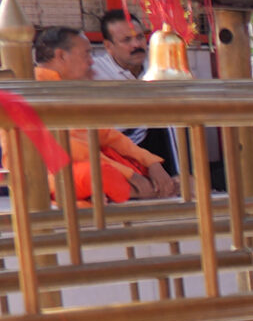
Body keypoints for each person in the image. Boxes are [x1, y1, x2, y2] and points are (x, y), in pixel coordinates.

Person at [29, 28, 177, 202]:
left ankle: (144, 189)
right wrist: (130, 174)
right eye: (86, 54)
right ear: (61, 56)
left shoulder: (68, 88)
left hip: (93, 167)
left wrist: (150, 162)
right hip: (50, 175)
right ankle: (147, 190)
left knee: (150, 169)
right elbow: (73, 149)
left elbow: (107, 134)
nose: (91, 62)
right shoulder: (37, 92)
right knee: (99, 175)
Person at [92, 9, 177, 175]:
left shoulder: (158, 66)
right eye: (127, 40)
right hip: (115, 148)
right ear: (108, 46)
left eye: (140, 37)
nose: (136, 45)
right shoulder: (93, 71)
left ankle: (182, 176)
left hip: (154, 141)